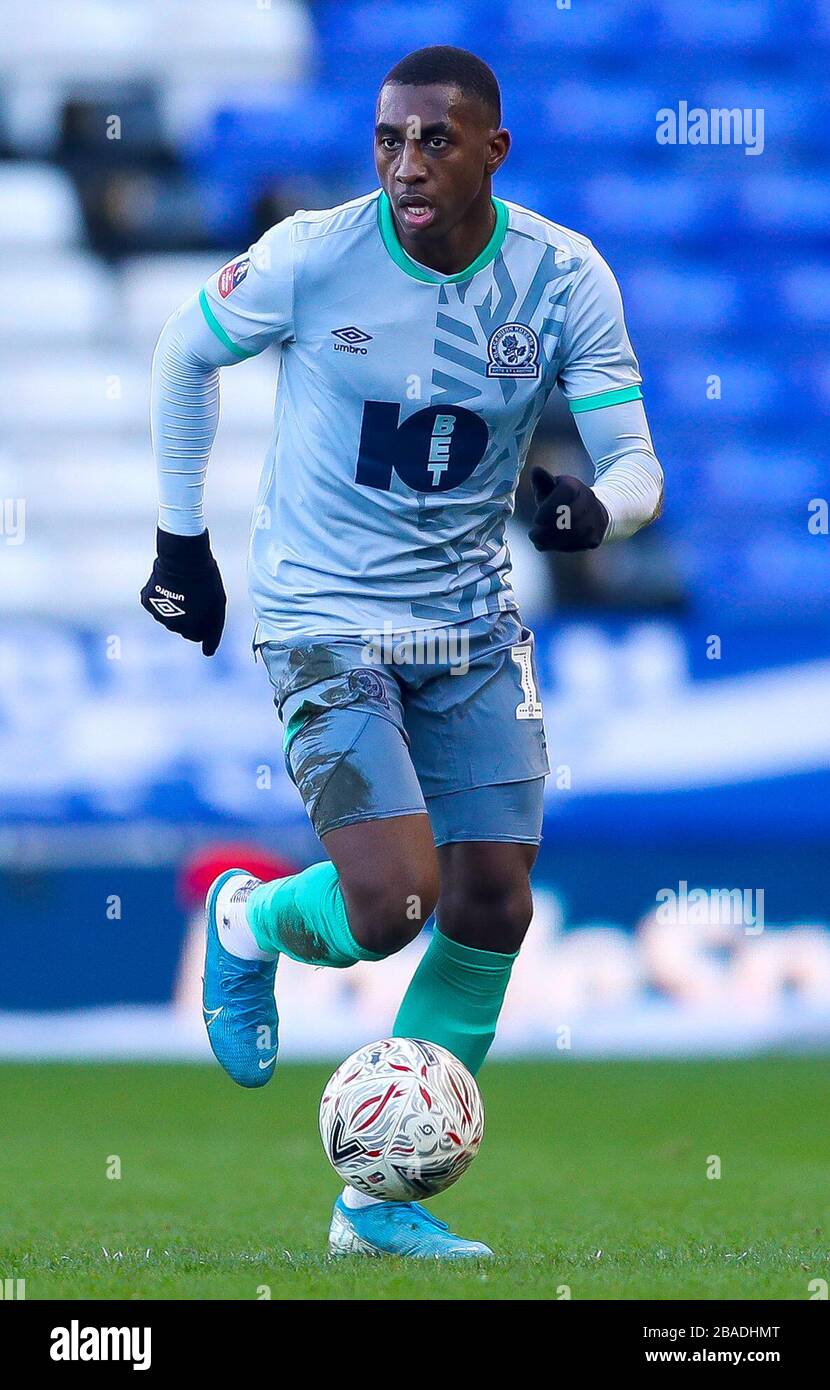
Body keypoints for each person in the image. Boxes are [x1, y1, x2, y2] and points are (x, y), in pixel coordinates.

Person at [141, 45, 663, 1258]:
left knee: (490, 901)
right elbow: (183, 350)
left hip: (471, 623)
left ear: (493, 150)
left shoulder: (561, 277)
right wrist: (181, 543)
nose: (406, 163)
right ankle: (248, 923)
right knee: (390, 902)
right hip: (324, 615)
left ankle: (376, 1207)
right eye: (388, 139)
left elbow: (632, 459)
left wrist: (599, 510)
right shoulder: (315, 255)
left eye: (435, 139)